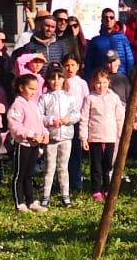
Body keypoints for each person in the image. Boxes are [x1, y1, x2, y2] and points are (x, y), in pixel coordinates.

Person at [77, 68, 126, 201]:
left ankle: (107, 189)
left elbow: (119, 117)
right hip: (95, 137)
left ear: (109, 82)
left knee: (108, 165)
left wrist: (121, 135)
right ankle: (96, 190)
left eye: (104, 82)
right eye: (98, 83)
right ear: (93, 83)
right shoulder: (90, 98)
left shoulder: (114, 98)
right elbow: (84, 119)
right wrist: (84, 138)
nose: (101, 86)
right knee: (96, 166)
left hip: (110, 136)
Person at [7, 71, 49, 213]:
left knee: (29, 174)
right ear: (21, 88)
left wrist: (44, 134)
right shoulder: (17, 105)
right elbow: (15, 126)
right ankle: (19, 203)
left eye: (35, 89)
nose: (34, 92)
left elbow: (39, 122)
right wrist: (32, 134)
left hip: (34, 145)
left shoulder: (33, 104)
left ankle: (31, 201)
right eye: (31, 88)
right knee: (20, 174)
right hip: (22, 144)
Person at [40, 66, 82, 206]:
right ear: (48, 80)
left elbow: (76, 114)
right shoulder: (44, 98)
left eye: (59, 77)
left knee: (63, 167)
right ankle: (45, 196)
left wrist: (67, 119)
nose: (56, 81)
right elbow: (40, 116)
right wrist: (51, 121)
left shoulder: (69, 97)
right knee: (49, 168)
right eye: (52, 78)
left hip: (65, 137)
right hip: (51, 138)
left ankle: (65, 196)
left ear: (64, 79)